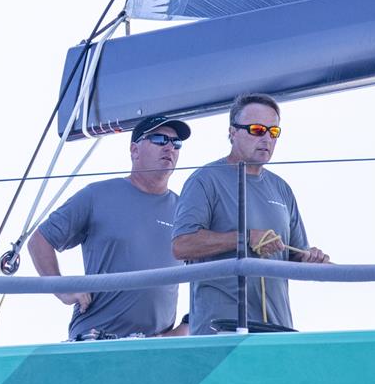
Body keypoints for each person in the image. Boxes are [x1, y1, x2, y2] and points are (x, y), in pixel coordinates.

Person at [172, 93, 330, 335]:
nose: (266, 138)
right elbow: (182, 245)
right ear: (232, 132)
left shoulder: (282, 189)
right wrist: (245, 238)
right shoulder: (205, 180)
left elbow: (295, 257)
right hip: (221, 332)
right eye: (257, 130)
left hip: (278, 330)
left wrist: (312, 259)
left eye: (273, 132)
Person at [27, 115, 192, 339]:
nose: (170, 147)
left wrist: (185, 327)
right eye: (159, 139)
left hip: (156, 348)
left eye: (176, 143)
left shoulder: (185, 211)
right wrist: (63, 289)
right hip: (96, 341)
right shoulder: (96, 195)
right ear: (134, 150)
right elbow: (40, 240)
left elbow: (211, 275)